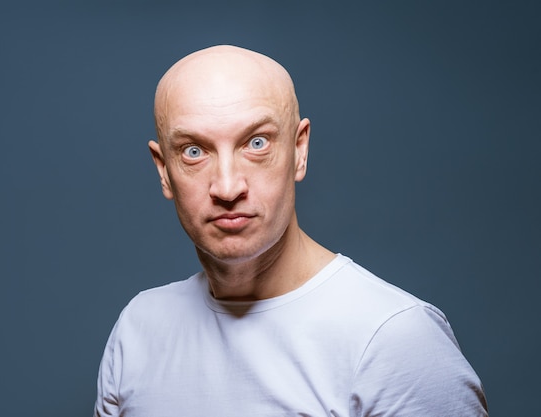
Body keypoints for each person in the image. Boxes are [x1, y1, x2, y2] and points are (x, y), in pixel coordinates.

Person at [94, 45, 488, 416]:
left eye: (257, 143)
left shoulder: (395, 340)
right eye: (194, 151)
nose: (228, 187)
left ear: (299, 151)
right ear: (164, 171)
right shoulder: (138, 328)